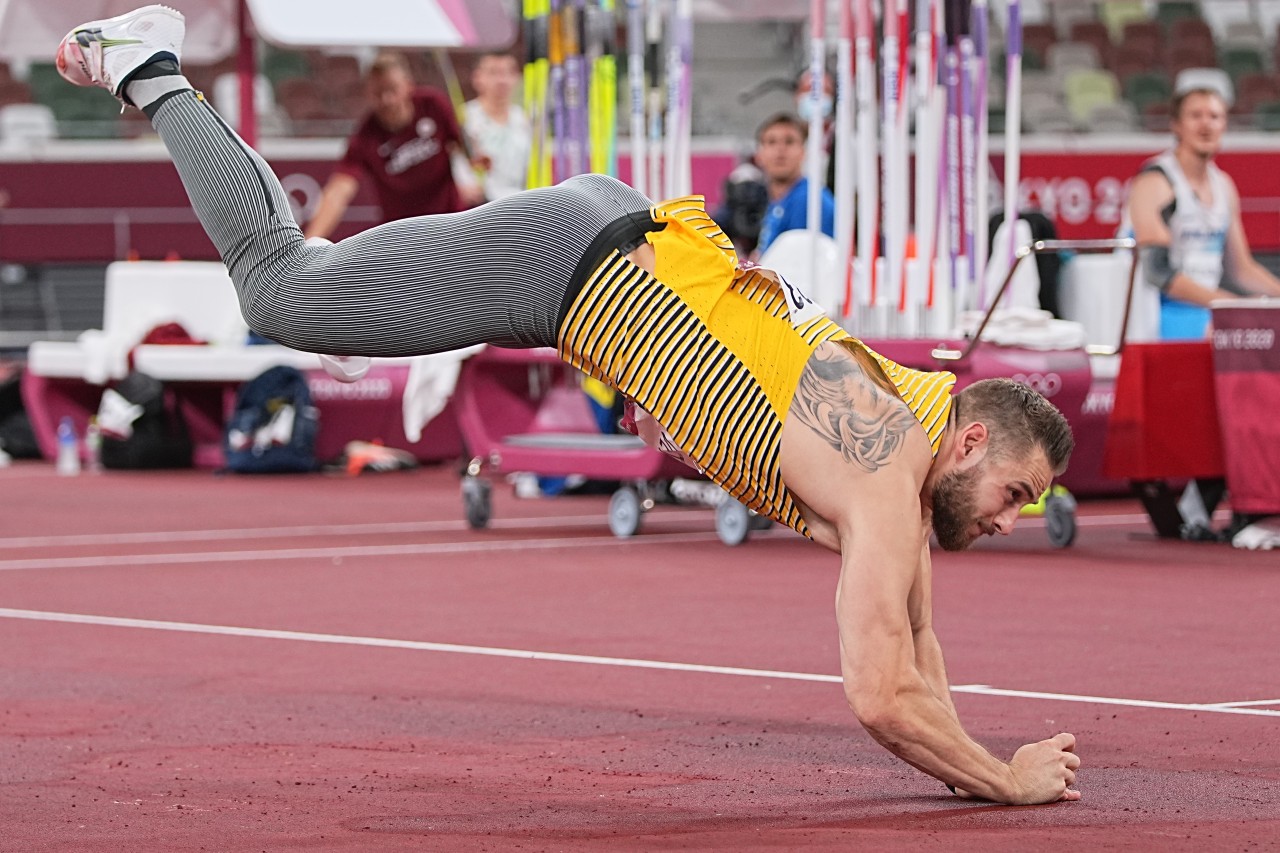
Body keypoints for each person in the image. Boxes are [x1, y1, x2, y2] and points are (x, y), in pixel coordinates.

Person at [57, 5, 1083, 805]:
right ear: (973, 436)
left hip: (604, 241)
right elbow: (879, 694)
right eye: (1014, 492)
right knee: (278, 289)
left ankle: (307, 233)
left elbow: (916, 645)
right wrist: (1003, 778)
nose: (1010, 517)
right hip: (562, 263)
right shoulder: (874, 464)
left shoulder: (903, 445)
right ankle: (150, 67)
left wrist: (973, 767)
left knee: (310, 281)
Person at [1123, 80, 1280, 340]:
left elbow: (1241, 269)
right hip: (1159, 309)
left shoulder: (1224, 186)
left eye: (1214, 116)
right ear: (1176, 125)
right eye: (1196, 116)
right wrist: (1229, 304)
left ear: (1225, 124)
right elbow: (1158, 273)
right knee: (1238, 333)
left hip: (1208, 306)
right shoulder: (1155, 181)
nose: (1206, 124)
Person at [302, 51, 485, 241]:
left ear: (408, 85)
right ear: (367, 93)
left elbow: (462, 145)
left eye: (392, 90)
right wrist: (311, 242)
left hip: (451, 222)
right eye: (378, 93)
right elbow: (338, 191)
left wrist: (475, 163)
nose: (387, 100)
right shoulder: (365, 137)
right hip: (402, 236)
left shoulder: (434, 104)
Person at [752, 112, 836, 257]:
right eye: (772, 142)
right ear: (758, 155)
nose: (780, 150)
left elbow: (795, 267)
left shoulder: (808, 201)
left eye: (789, 141)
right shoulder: (779, 201)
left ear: (803, 152)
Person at [458, 51, 530, 202]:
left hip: (520, 205)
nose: (502, 80)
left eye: (508, 72)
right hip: (478, 208)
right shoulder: (464, 118)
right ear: (477, 78)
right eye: (493, 73)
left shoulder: (524, 119)